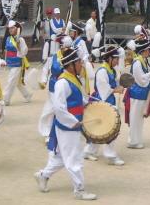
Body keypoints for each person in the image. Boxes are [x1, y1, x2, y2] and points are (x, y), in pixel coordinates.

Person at [34, 48, 97, 201]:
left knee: (62, 158)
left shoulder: (73, 78)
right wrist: (74, 122)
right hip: (68, 126)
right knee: (74, 158)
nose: (82, 64)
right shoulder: (62, 83)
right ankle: (79, 190)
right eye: (79, 62)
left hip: (72, 124)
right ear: (70, 65)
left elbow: (79, 99)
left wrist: (93, 103)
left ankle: (43, 175)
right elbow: (59, 108)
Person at [83, 45, 125, 165]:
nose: (117, 60)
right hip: (101, 102)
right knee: (110, 128)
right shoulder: (102, 71)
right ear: (109, 58)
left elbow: (114, 84)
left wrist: (120, 86)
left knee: (100, 129)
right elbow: (104, 90)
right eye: (115, 58)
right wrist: (116, 90)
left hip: (108, 100)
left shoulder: (111, 69)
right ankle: (111, 156)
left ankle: (88, 151)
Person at [38, 35, 72, 138]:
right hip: (54, 87)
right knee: (52, 109)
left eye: (69, 47)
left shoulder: (71, 57)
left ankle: (63, 130)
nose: (68, 49)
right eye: (66, 47)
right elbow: (45, 70)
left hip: (67, 87)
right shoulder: (53, 58)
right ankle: (47, 133)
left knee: (62, 108)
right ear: (61, 46)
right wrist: (43, 80)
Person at [123, 38, 150, 149]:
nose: (149, 51)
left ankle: (136, 140)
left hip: (141, 93)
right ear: (143, 51)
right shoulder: (137, 62)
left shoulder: (143, 60)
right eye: (147, 50)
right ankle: (132, 141)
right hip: (136, 94)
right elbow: (140, 80)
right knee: (135, 118)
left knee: (138, 118)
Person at [3, 20, 32, 106]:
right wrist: (5, 61)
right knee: (17, 83)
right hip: (10, 63)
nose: (10, 30)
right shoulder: (8, 38)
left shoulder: (21, 39)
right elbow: (6, 51)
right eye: (9, 28)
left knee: (11, 81)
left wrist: (19, 46)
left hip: (17, 63)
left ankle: (6, 99)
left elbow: (24, 52)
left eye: (12, 28)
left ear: (17, 29)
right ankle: (28, 95)